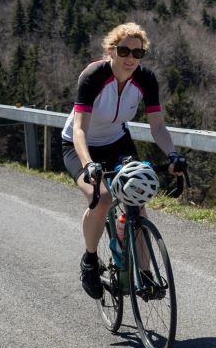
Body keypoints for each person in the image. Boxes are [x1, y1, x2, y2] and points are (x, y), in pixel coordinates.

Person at [61, 22, 186, 298]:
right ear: (110, 50)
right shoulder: (93, 76)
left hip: (117, 141)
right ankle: (90, 260)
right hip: (78, 145)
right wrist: (88, 164)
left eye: (137, 53)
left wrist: (173, 155)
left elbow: (158, 127)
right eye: (124, 50)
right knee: (103, 198)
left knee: (137, 199)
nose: (130, 58)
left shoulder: (145, 79)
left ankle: (144, 273)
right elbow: (79, 129)